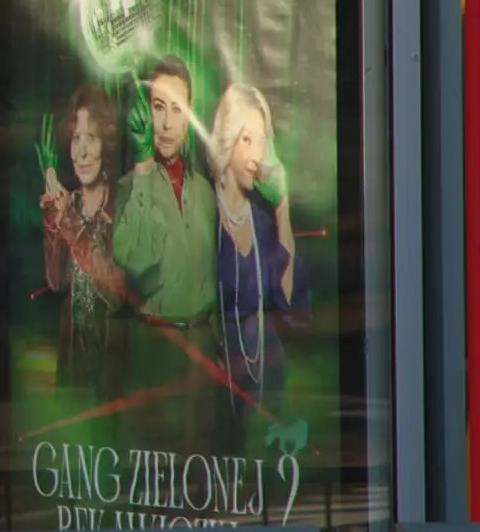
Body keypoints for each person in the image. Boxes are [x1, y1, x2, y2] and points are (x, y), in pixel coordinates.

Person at [111, 56, 222, 442]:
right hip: (153, 350)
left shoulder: (206, 193)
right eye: (159, 107)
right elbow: (136, 263)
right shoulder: (128, 187)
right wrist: (143, 166)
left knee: (200, 458)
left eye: (179, 109)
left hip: (202, 351)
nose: (168, 123)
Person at [207, 83, 301, 407]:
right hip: (211, 388)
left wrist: (282, 206)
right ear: (228, 140)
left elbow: (288, 299)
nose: (255, 155)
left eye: (261, 142)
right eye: (246, 140)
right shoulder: (204, 210)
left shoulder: (263, 221)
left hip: (266, 387)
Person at [38, 87, 130, 393]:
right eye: (76, 138)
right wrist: (54, 222)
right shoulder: (68, 204)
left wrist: (69, 222)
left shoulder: (123, 203)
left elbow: (116, 292)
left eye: (91, 137)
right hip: (72, 363)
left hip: (112, 368)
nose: (82, 151)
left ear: (106, 142)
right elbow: (55, 281)